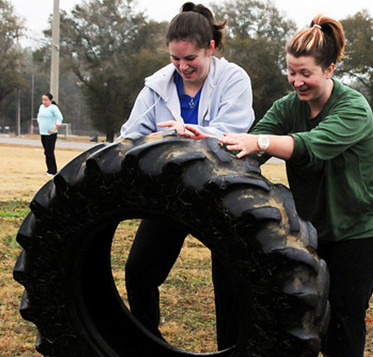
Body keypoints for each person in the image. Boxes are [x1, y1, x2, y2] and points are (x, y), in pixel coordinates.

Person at [210, 15, 373, 357]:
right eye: (291, 71)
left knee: (342, 313)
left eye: (305, 73)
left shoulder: (353, 108)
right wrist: (208, 142)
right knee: (305, 310)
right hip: (314, 228)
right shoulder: (288, 107)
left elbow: (311, 146)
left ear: (329, 69)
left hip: (363, 229)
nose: (296, 81)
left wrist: (262, 143)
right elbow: (250, 144)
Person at [119, 2, 255, 349]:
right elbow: (130, 135)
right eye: (175, 59)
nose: (182, 67)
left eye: (190, 59)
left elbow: (232, 132)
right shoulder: (156, 86)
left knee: (228, 281)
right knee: (139, 272)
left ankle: (229, 347)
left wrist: (191, 132)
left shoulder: (234, 79)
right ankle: (149, 343)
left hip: (224, 193)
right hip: (173, 192)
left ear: (210, 47)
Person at [37, 93, 63, 176]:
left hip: (51, 134)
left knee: (50, 151)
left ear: (50, 101)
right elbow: (39, 117)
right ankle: (49, 169)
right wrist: (39, 125)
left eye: (46, 100)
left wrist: (55, 128)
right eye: (43, 100)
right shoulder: (41, 107)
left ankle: (53, 170)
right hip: (43, 133)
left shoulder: (53, 108)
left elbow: (60, 117)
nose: (44, 102)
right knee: (46, 152)